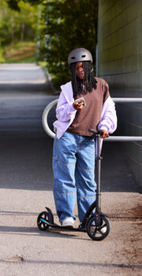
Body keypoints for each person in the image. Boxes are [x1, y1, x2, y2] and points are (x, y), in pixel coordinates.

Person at [52, 48, 117, 228]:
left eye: (83, 67)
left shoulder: (101, 86)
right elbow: (59, 114)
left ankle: (88, 218)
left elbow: (109, 112)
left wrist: (105, 127)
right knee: (65, 178)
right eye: (76, 68)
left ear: (90, 66)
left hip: (89, 140)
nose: (80, 70)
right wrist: (72, 107)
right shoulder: (68, 88)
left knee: (88, 180)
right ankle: (66, 216)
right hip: (68, 138)